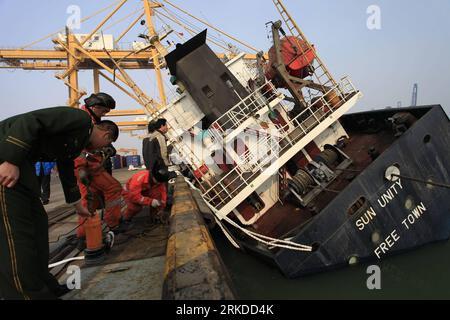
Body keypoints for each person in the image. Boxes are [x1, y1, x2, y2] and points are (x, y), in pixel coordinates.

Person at [0, 107, 119, 300]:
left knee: (38, 228)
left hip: (23, 170)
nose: (98, 150)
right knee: (16, 240)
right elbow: (31, 121)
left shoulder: (76, 140)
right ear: (106, 134)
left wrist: (76, 203)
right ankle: (27, 295)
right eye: (104, 145)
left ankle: (47, 287)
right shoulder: (80, 119)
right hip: (6, 162)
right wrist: (10, 159)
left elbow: (65, 165)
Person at [75, 93, 124, 245]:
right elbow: (77, 145)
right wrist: (81, 166)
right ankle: (112, 225)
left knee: (90, 198)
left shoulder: (91, 119)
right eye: (103, 111)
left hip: (90, 165)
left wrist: (109, 149)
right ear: (95, 107)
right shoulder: (83, 120)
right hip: (88, 166)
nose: (104, 114)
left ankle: (85, 234)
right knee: (113, 188)